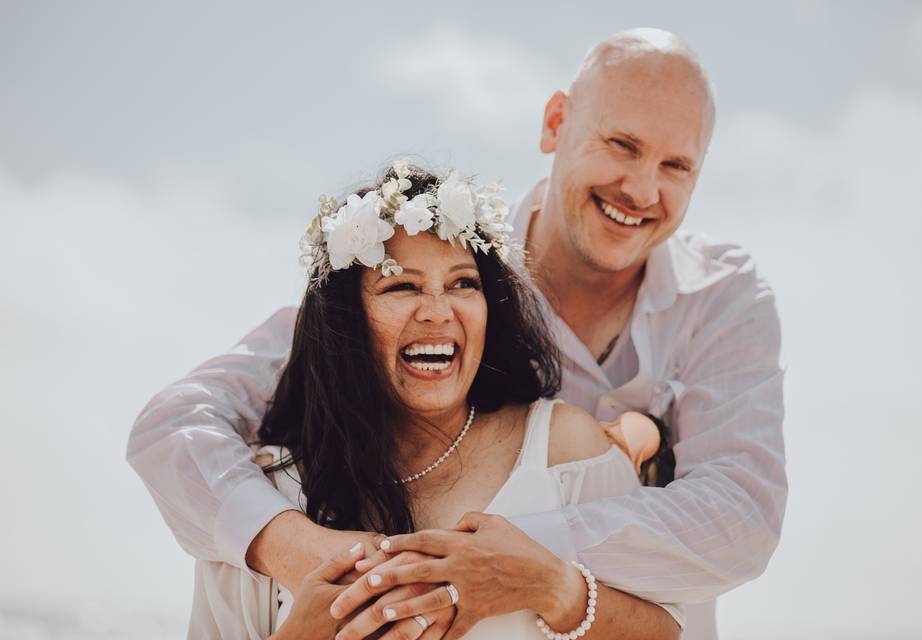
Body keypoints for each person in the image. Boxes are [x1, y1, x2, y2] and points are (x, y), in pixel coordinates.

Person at [128, 28, 786, 640]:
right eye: (622, 145)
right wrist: (290, 546)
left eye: (678, 166)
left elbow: (742, 516)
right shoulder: (450, 264)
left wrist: (520, 556)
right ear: (556, 122)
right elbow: (178, 421)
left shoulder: (721, 301)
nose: (642, 188)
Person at [188, 164, 682, 639]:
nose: (438, 312)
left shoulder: (567, 450)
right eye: (401, 286)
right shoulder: (264, 496)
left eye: (463, 283)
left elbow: (667, 632)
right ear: (346, 320)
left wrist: (550, 587)